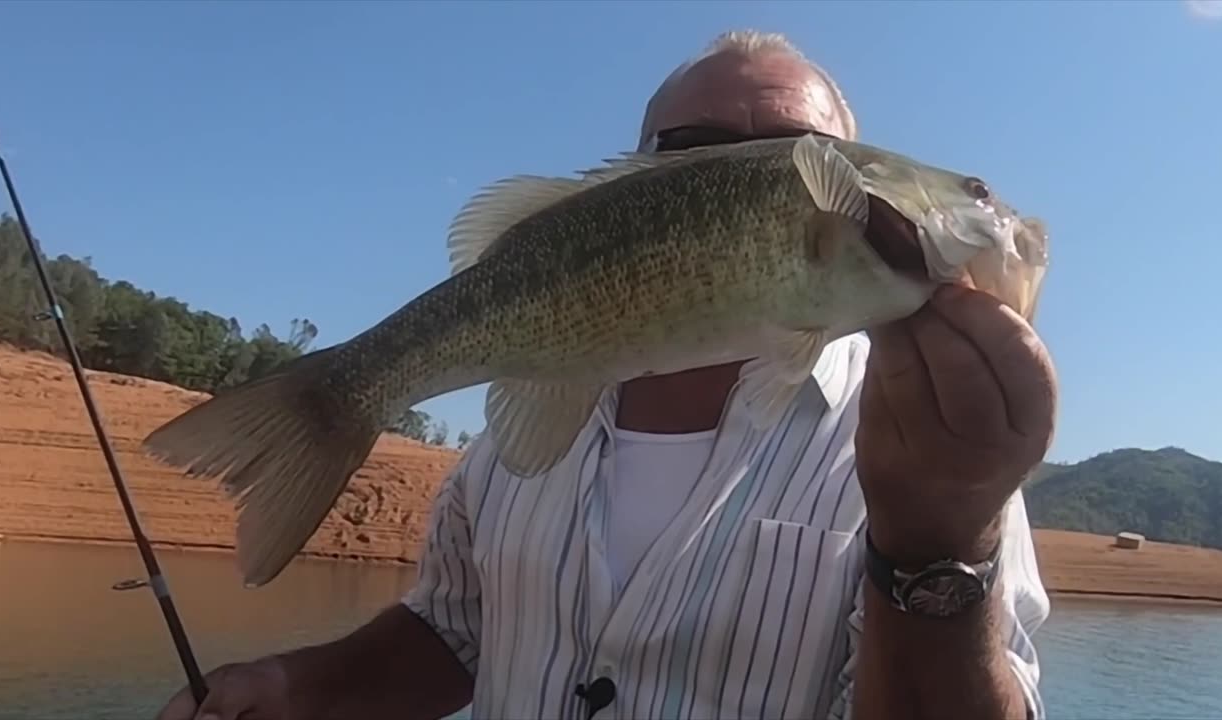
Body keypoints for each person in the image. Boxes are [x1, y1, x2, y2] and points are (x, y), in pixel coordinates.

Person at [157, 29, 1055, 720]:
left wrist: (937, 530)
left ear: (843, 183)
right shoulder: (505, 450)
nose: (752, 170)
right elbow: (455, 633)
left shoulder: (932, 454)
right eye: (693, 149)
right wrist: (295, 688)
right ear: (632, 182)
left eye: (790, 150)